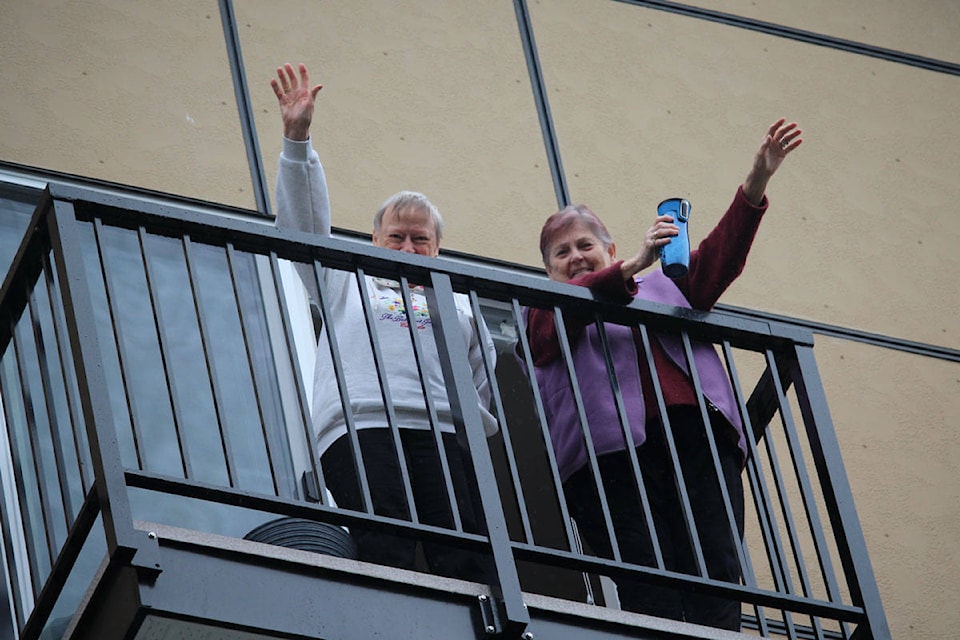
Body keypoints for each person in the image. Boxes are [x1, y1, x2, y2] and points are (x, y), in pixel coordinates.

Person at [521, 119, 802, 630]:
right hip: (609, 458)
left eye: (584, 245)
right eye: (560, 253)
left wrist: (757, 181)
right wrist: (627, 271)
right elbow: (544, 335)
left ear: (609, 249)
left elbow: (722, 256)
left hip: (696, 438)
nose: (574, 257)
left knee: (715, 564)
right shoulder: (540, 308)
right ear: (548, 271)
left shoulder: (664, 284)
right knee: (646, 579)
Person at [270, 62, 498, 582]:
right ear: (375, 241)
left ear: (438, 250)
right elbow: (303, 229)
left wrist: (467, 434)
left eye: (421, 240)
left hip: (439, 430)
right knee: (386, 545)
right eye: (396, 237)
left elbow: (480, 379)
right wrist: (297, 140)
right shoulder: (346, 279)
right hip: (362, 423)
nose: (408, 248)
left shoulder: (455, 301)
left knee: (461, 557)